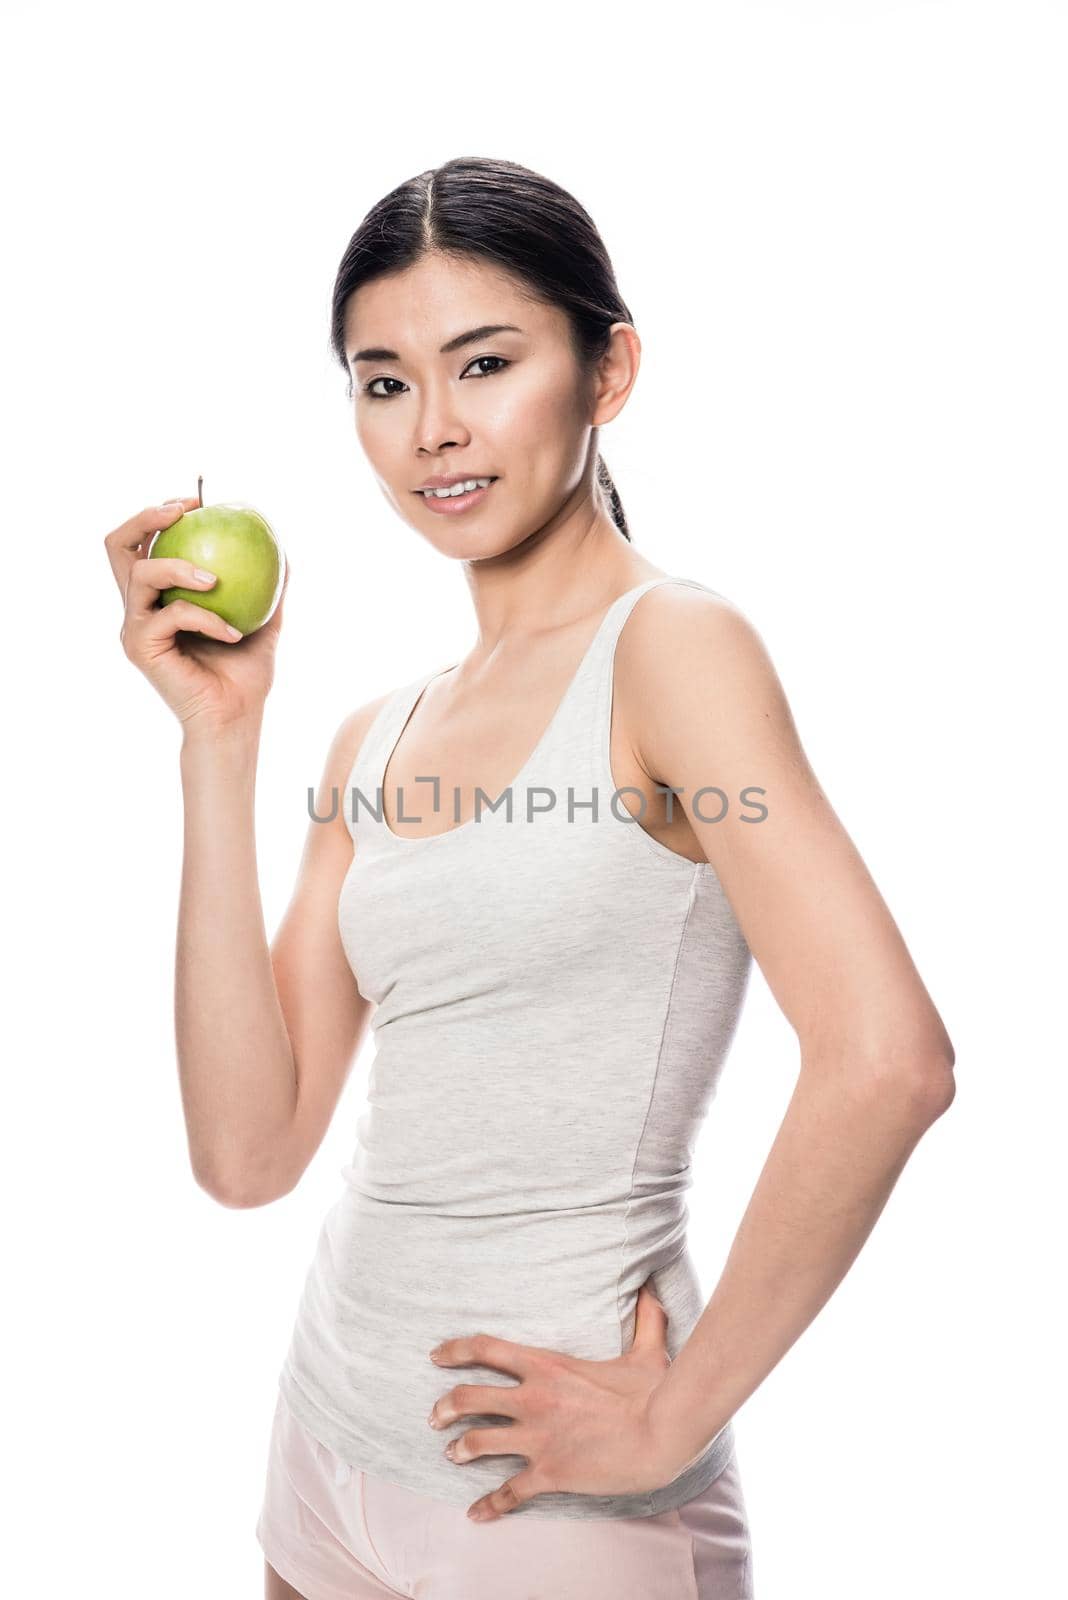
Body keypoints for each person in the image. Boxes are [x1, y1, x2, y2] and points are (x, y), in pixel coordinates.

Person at [105, 156, 956, 1599]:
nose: (435, 429)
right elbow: (248, 1155)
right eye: (384, 382)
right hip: (325, 1445)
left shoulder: (674, 650)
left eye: (485, 363)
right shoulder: (375, 738)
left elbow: (890, 1061)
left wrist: (673, 1417)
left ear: (606, 368)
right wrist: (219, 739)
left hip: (561, 1504)